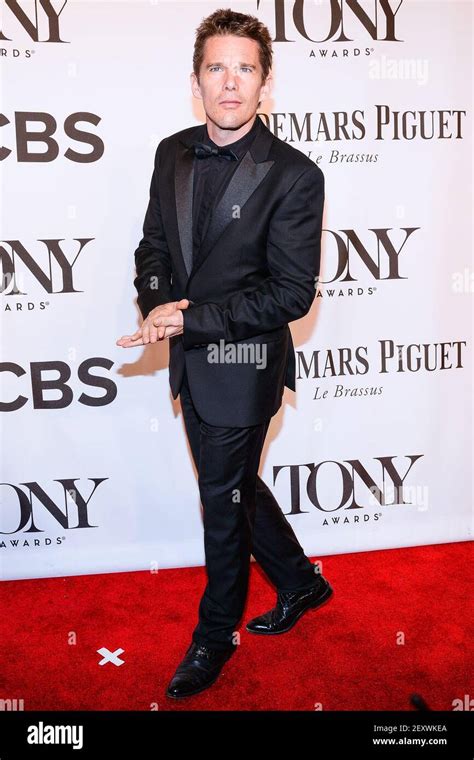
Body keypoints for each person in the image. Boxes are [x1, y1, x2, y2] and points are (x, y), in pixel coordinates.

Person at [117, 7, 332, 699]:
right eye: (217, 68)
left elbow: (292, 293)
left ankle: (215, 637)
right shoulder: (171, 151)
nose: (230, 83)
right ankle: (300, 581)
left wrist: (190, 320)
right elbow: (154, 247)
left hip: (242, 366)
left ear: (266, 85)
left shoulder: (295, 176)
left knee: (220, 498)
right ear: (196, 80)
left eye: (245, 69)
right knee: (234, 482)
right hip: (189, 357)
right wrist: (155, 299)